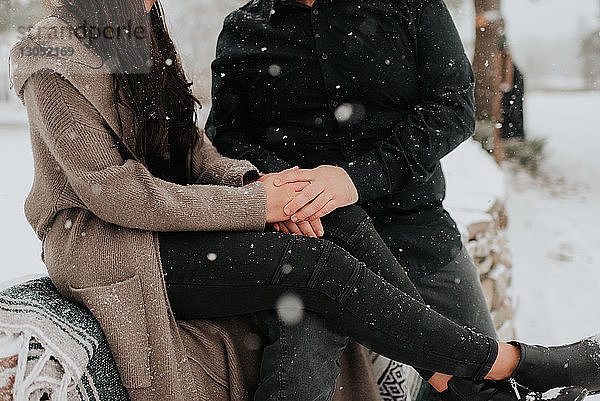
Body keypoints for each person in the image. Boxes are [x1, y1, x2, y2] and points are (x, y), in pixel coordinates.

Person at [10, 1, 599, 401]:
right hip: (133, 243)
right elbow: (129, 184)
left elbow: (452, 111)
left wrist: (316, 186)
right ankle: (497, 364)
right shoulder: (59, 57)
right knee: (309, 310)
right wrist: (273, 198)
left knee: (340, 231)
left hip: (406, 224)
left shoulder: (408, 7)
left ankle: (452, 369)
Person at [204, 0, 592, 399]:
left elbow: (453, 107)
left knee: (480, 372)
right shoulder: (244, 29)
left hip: (415, 231)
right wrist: (291, 190)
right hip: (309, 245)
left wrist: (353, 180)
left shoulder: (411, 5)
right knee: (297, 386)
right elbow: (227, 137)